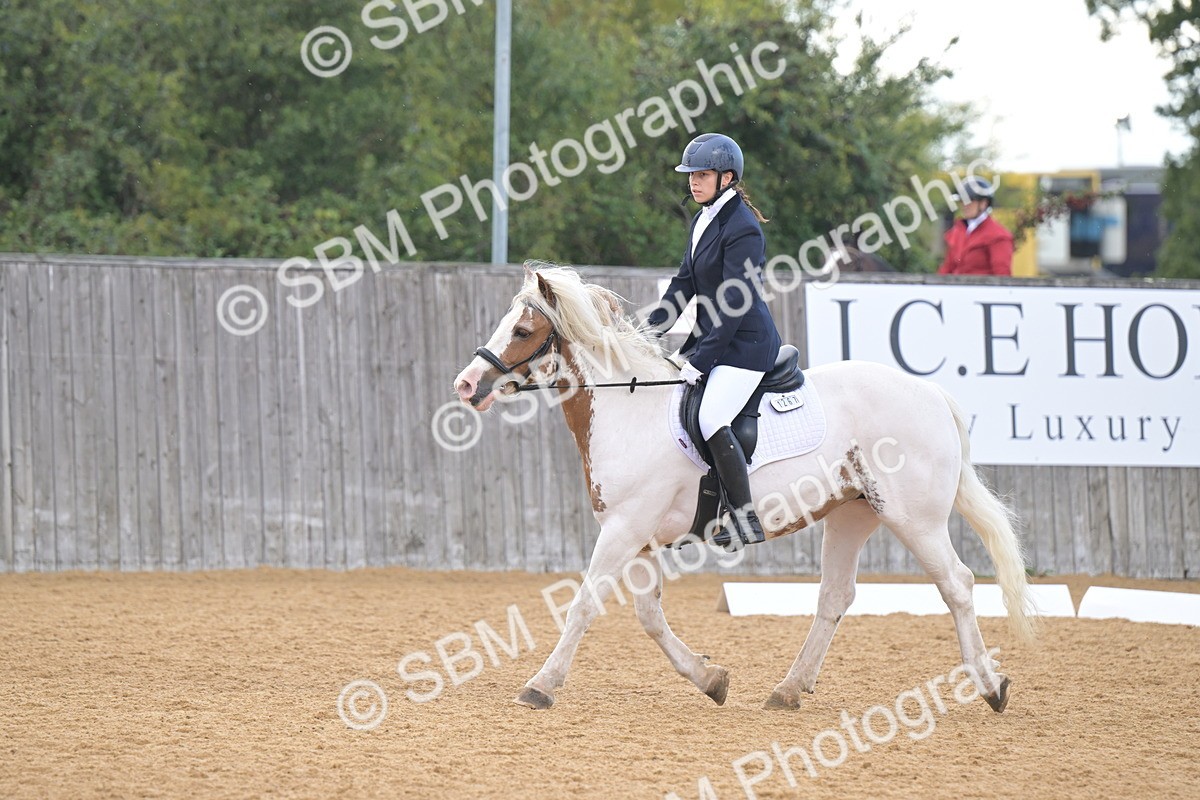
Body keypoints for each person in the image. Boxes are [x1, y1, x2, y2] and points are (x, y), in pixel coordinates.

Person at [646, 132, 782, 547]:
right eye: (690, 175)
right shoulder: (702, 218)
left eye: (701, 174)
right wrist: (646, 332)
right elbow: (683, 285)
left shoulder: (743, 228)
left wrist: (700, 360)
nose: (693, 181)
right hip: (714, 340)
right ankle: (699, 512)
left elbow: (735, 303)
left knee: (709, 418)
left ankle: (745, 520)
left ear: (727, 178)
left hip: (745, 346)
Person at [938, 176, 1014, 276]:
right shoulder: (957, 231)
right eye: (962, 201)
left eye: (969, 201)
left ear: (983, 203)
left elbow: (1002, 273)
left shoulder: (998, 236)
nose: (965, 205)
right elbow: (947, 268)